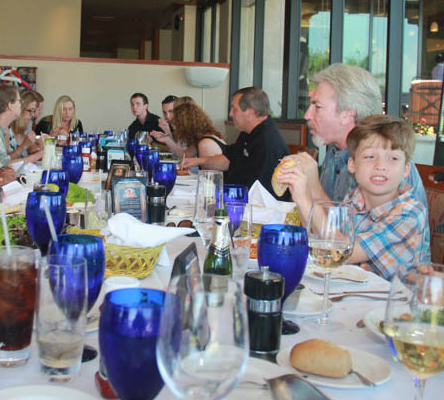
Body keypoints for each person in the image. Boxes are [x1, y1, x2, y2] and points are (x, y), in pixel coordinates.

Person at [280, 115, 429, 279]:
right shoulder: (356, 198)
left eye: (393, 158)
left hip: (392, 302)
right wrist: (304, 195)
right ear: (352, 164)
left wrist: (304, 200)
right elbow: (317, 235)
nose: (380, 166)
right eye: (370, 157)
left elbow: (340, 252)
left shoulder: (410, 214)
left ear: (406, 169)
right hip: (355, 295)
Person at [297, 63, 427, 208]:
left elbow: (350, 228)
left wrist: (314, 189)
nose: (308, 115)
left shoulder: (387, 168)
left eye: (317, 106)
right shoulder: (335, 153)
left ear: (347, 115)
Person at [182, 87, 289, 198]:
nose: (231, 114)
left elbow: (258, 191)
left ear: (250, 112)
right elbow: (228, 159)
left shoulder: (267, 142)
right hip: (236, 196)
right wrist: (197, 161)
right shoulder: (248, 132)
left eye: (234, 109)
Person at [155, 102, 227, 162]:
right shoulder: (201, 136)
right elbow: (185, 154)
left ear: (185, 124)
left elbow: (208, 176)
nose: (173, 127)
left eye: (175, 123)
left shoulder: (205, 143)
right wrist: (166, 140)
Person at [9, 90, 43, 158]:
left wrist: (42, 145)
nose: (32, 115)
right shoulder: (7, 129)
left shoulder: (25, 126)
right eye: (30, 110)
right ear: (20, 109)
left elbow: (32, 153)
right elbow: (3, 163)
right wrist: (24, 146)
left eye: (34, 111)